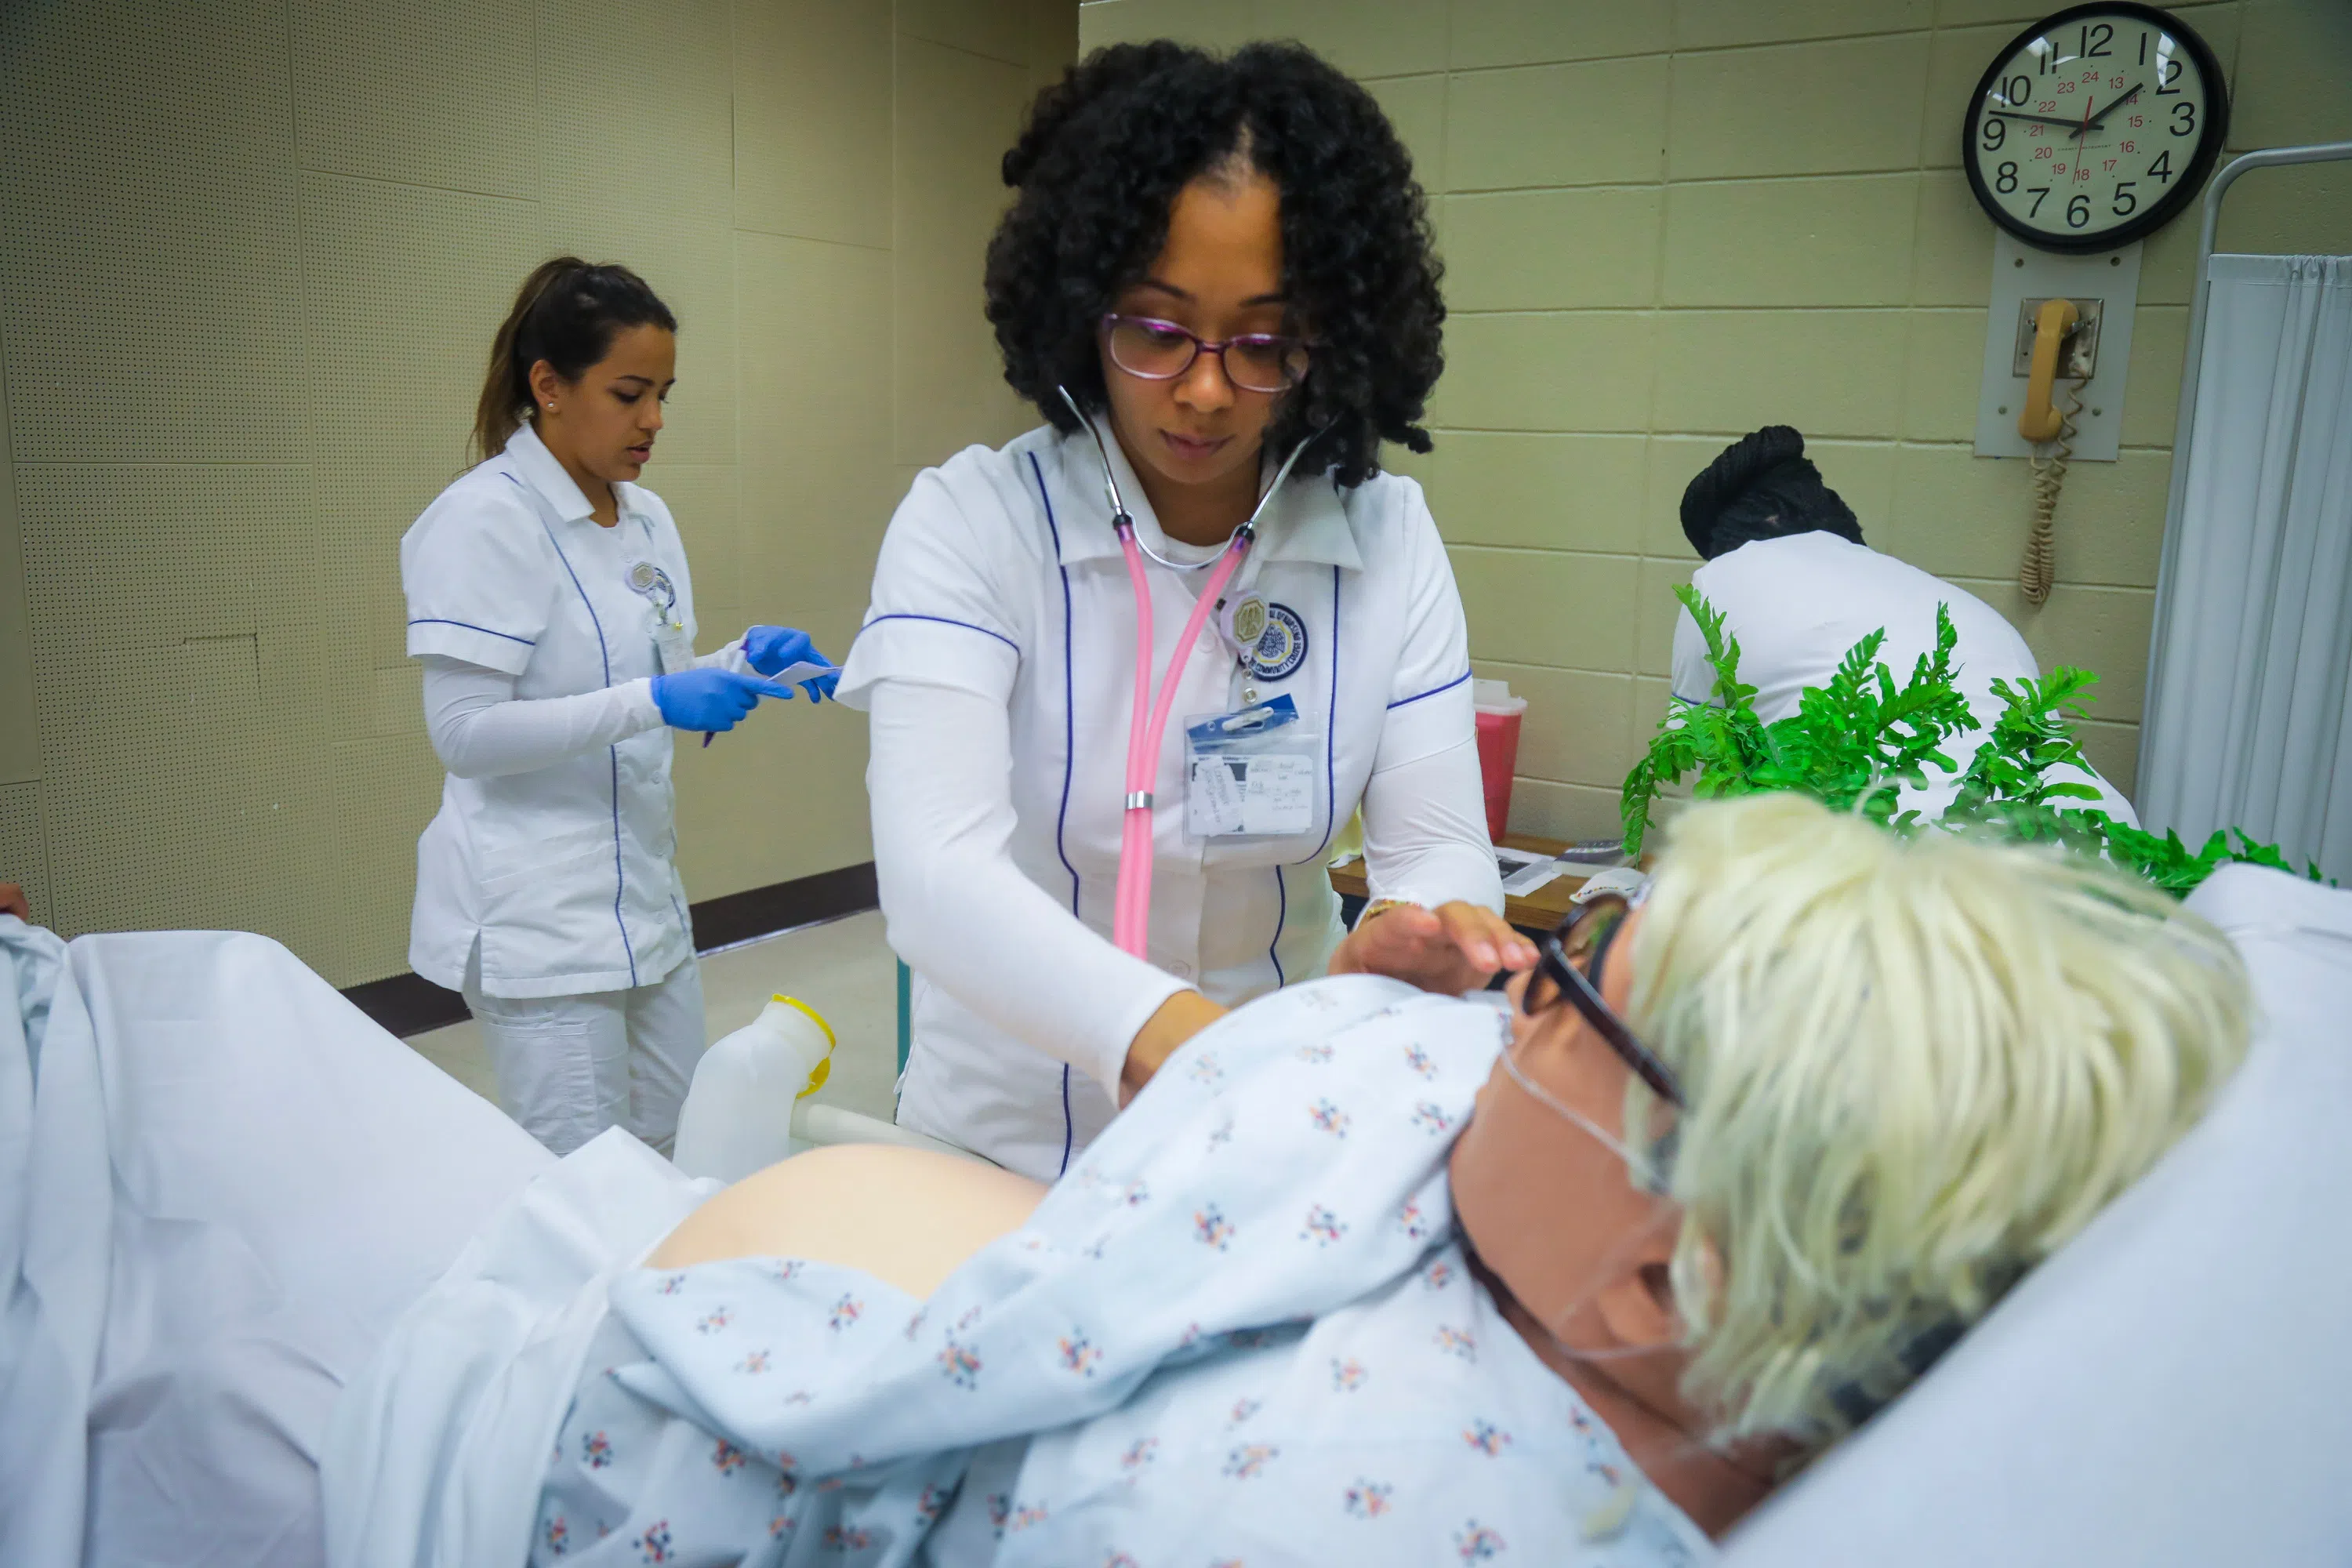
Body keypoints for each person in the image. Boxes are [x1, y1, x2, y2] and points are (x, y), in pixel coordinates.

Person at [312, 789, 2243, 1563]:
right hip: (743, 1281)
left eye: (1570, 997)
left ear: (1690, 1281)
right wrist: (1328, 1001)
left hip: (571, 1428)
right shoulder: (1571, 1259)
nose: (1516, 988)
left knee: (175, 1033)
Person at [838, 42, 1530, 1179]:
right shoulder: (968, 524)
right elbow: (935, 881)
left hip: (1256, 1152)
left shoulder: (1387, 538)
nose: (1206, 389)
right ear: (1082, 305)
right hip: (1000, 1154)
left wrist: (1436, 931)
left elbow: (1440, 844)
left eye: (1263, 343)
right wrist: (1195, 1050)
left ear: (1330, 338)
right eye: (1157, 329)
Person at [400, 257, 836, 1156]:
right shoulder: (483, 520)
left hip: (645, 907)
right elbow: (465, 734)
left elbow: (657, 673)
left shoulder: (646, 519)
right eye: (630, 392)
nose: (655, 420)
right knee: (585, 1191)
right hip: (541, 927)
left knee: (689, 1151)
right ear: (549, 386)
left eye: (665, 393)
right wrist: (655, 698)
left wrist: (741, 661)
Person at [1668, 425, 2138, 823]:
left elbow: (1710, 774)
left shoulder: (1717, 582)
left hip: (1902, 872)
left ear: (1727, 542)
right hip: (2098, 854)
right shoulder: (1954, 602)